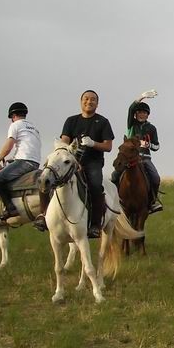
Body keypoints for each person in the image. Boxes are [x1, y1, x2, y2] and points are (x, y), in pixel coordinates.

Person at [38, 90, 115, 238]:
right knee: (46, 178)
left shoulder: (103, 122)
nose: (89, 101)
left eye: (93, 99)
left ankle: (95, 224)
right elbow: (65, 142)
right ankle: (43, 216)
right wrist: (66, 155)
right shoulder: (71, 121)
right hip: (70, 162)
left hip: (93, 162)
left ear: (97, 104)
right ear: (81, 102)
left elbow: (108, 146)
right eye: (86, 99)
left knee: (95, 186)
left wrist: (93, 143)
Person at [0, 102, 41, 222]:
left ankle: (10, 209)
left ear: (13, 116)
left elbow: (8, 146)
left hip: (24, 161)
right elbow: (28, 146)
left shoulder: (15, 125)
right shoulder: (34, 127)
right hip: (35, 162)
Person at [124, 90, 163, 213]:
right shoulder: (131, 125)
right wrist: (141, 97)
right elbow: (130, 108)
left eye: (144, 113)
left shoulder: (152, 128)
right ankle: (114, 199)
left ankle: (152, 202)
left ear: (147, 115)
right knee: (115, 175)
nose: (141, 114)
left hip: (145, 158)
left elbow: (157, 147)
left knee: (156, 178)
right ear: (135, 114)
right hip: (130, 157)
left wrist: (148, 144)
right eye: (139, 112)